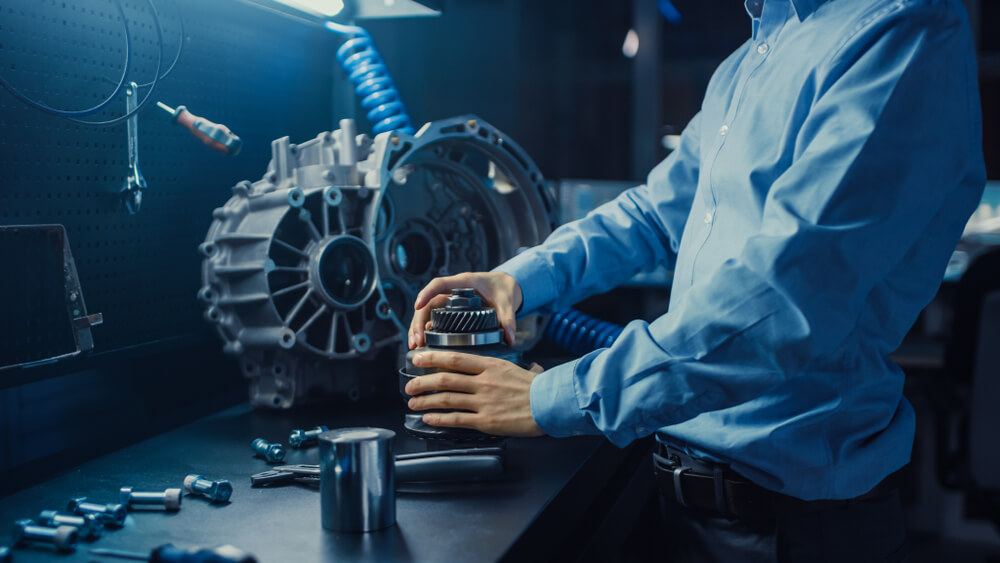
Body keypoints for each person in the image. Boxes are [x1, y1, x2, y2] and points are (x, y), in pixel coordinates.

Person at [405, 0, 985, 559]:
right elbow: (659, 213)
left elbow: (783, 303)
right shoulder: (751, 59)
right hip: (680, 503)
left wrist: (550, 398)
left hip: (792, 530)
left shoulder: (902, 28)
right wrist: (520, 281)